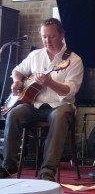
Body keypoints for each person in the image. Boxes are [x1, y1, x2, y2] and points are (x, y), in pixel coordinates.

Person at [0, 18, 84, 181]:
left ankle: (48, 171)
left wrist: (50, 82)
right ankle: (9, 167)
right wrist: (17, 81)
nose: (47, 41)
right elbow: (17, 70)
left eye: (51, 36)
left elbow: (71, 91)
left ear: (62, 35)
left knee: (60, 116)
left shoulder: (73, 60)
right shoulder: (35, 55)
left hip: (61, 105)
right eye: (44, 37)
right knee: (14, 114)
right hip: (35, 105)